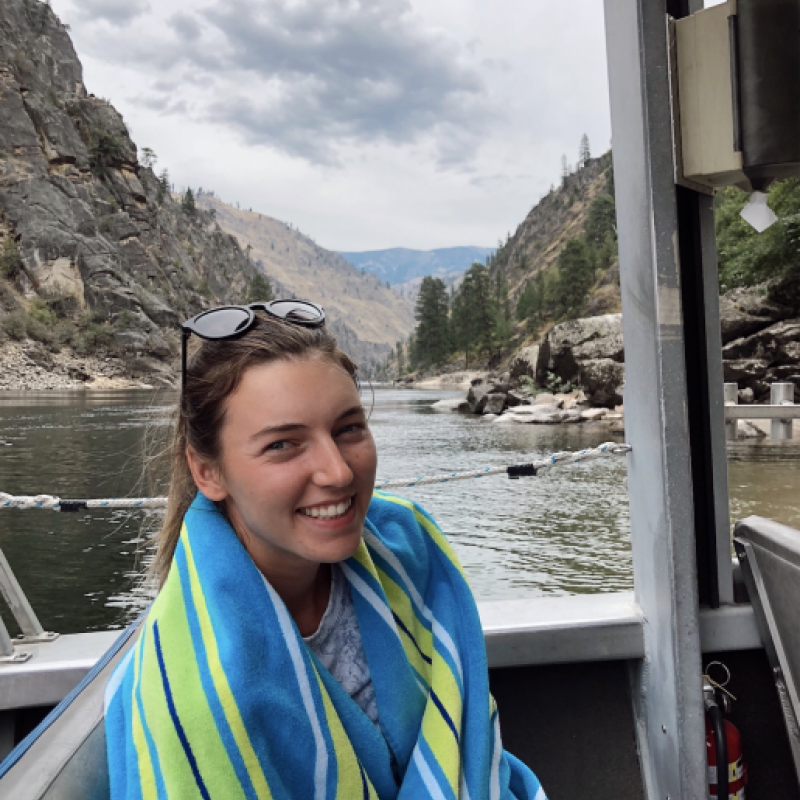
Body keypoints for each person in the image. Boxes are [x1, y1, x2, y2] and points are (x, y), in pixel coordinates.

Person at [105, 299, 546, 800]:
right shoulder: (197, 701)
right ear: (207, 471)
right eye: (282, 444)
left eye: (348, 429)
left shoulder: (407, 547)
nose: (338, 472)